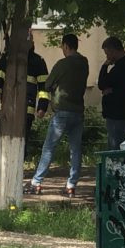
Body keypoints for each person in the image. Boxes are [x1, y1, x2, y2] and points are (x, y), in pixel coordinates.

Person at [29, 33, 89, 197]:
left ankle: (37, 182)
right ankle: (71, 185)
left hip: (62, 111)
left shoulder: (62, 64)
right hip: (78, 111)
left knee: (49, 147)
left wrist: (55, 86)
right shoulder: (84, 63)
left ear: (66, 46)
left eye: (63, 47)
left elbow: (47, 84)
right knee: (76, 149)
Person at [0, 29, 50, 180]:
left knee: (21, 140)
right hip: (9, 108)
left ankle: (14, 172)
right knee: (3, 140)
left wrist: (42, 106)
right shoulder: (8, 59)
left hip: (25, 109)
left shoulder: (36, 61)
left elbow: (44, 87)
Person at [97, 36, 125, 150]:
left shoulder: (122, 67)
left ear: (113, 50)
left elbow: (102, 84)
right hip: (121, 114)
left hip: (118, 115)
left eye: (107, 53)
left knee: (115, 149)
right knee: (116, 146)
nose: (107, 57)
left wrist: (105, 65)